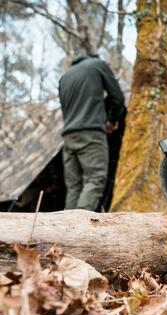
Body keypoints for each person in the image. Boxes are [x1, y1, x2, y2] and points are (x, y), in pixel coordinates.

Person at [58, 54, 124, 211]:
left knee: (73, 187)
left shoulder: (64, 77)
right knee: (95, 179)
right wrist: (112, 121)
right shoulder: (97, 64)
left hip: (68, 137)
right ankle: (79, 228)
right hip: (92, 134)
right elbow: (118, 97)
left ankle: (65, 230)